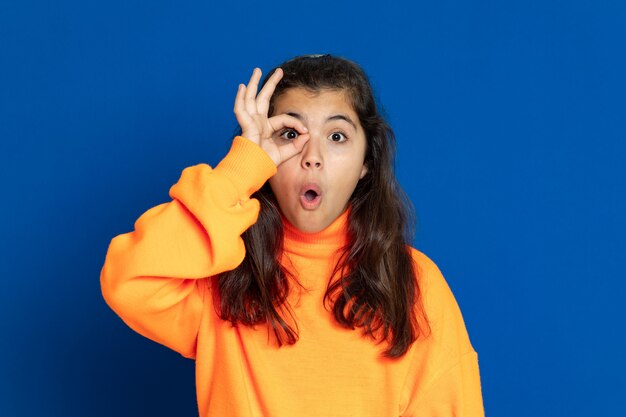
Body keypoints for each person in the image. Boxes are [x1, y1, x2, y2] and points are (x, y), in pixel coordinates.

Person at [100, 54, 484, 416]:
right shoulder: (220, 271)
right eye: (289, 133)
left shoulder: (414, 283)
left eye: (337, 136)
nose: (311, 156)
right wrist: (241, 169)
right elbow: (129, 280)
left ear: (367, 162)